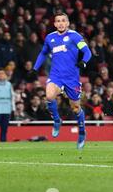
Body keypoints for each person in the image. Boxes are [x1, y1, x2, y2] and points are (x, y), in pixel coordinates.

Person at [32, 12, 92, 149]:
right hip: (56, 76)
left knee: (76, 108)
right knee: (49, 96)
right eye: (58, 21)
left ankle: (82, 132)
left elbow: (87, 51)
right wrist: (35, 68)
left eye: (63, 20)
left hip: (72, 78)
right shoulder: (50, 38)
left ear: (68, 23)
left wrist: (83, 62)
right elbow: (43, 53)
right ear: (54, 24)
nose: (60, 23)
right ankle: (57, 120)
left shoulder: (75, 36)